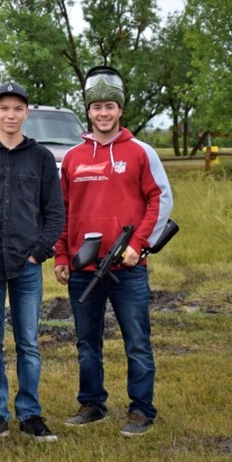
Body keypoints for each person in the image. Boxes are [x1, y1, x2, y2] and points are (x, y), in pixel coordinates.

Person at [53, 65, 173, 438]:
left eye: (110, 106)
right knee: (87, 342)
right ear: (87, 111)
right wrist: (60, 255)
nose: (103, 113)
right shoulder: (73, 158)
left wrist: (138, 245)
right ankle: (92, 404)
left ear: (120, 110)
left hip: (128, 268)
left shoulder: (140, 152)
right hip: (84, 269)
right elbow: (63, 209)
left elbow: (161, 199)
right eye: (96, 107)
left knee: (136, 341)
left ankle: (141, 410)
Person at [0, 81, 65, 442]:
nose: (10, 115)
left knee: (28, 342)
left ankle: (31, 414)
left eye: (17, 109)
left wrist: (39, 252)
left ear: (26, 113)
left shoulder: (40, 158)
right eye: (3, 108)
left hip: (26, 265)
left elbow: (55, 213)